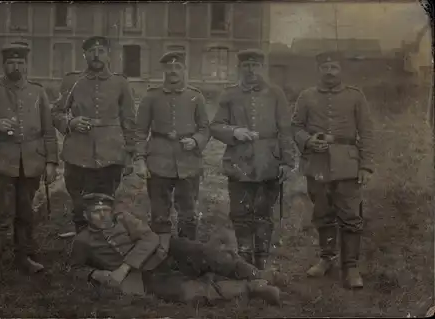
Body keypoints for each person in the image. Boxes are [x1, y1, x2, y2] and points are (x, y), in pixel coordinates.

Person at [69, 193, 281, 306]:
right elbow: (74, 269)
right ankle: (253, 289)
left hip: (166, 249)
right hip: (144, 276)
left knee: (208, 254)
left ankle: (255, 273)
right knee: (188, 292)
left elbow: (150, 237)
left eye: (106, 210)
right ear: (86, 216)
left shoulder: (124, 219)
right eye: (96, 212)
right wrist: (95, 273)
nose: (104, 216)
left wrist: (124, 267)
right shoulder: (83, 241)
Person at [0, 42, 59, 288]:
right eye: (10, 62)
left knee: (25, 213)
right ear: (4, 65)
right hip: (1, 163)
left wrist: (51, 162)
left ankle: (23, 258)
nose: (15, 66)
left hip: (31, 163)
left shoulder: (38, 92)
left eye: (20, 62)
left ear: (26, 65)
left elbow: (48, 131)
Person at [291, 51, 374, 289]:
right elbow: (295, 126)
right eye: (325, 67)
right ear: (319, 70)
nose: (329, 71)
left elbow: (367, 131)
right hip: (317, 164)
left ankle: (351, 267)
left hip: (348, 164)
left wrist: (366, 165)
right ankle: (327, 259)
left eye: (334, 67)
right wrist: (307, 140)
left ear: (341, 71)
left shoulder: (355, 96)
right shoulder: (306, 96)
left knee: (350, 216)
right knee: (323, 213)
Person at [210, 49, 294, 270]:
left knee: (264, 213)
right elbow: (216, 126)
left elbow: (285, 129)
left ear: (262, 68)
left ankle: (262, 260)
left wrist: (287, 161)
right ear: (240, 68)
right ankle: (245, 260)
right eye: (246, 66)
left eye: (255, 66)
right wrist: (234, 132)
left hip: (269, 161)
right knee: (240, 213)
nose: (251, 70)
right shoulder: (229, 94)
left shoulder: (276, 94)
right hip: (240, 161)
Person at [51, 36, 136, 234]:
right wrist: (70, 122)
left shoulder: (120, 82)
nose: (96, 56)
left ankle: (104, 244)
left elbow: (129, 120)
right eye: (91, 52)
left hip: (111, 152)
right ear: (85, 55)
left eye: (101, 52)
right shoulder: (73, 81)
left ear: (109, 56)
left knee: (106, 201)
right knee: (80, 203)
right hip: (78, 152)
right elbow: (56, 112)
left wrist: (130, 153)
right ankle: (82, 244)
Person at [133, 51, 210, 240]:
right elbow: (140, 131)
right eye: (169, 67)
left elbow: (205, 129)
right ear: (164, 71)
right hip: (159, 160)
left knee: (188, 213)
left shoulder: (196, 97)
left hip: (188, 161)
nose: (173, 71)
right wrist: (140, 160)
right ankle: (161, 251)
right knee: (159, 212)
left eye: (178, 67)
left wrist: (195, 141)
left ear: (184, 70)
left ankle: (187, 254)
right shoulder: (151, 96)